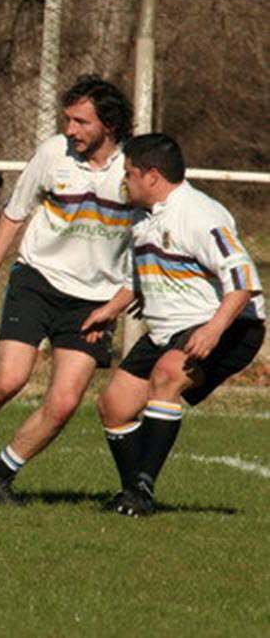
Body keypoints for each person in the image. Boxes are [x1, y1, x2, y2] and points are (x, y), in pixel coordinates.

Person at [0, 76, 134, 504]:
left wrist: (116, 304)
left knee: (64, 402)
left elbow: (150, 240)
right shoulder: (52, 153)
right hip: (37, 279)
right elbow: (15, 212)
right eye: (67, 120)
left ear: (108, 125)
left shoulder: (135, 166)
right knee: (9, 378)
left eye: (80, 122)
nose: (70, 130)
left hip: (95, 300)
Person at [81, 134, 265, 516]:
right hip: (172, 330)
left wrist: (213, 330)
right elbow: (141, 277)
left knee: (167, 374)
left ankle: (141, 492)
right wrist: (111, 309)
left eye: (129, 174)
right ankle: (135, 493)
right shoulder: (143, 218)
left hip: (231, 324)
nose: (124, 182)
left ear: (152, 176)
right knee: (114, 405)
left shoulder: (199, 214)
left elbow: (244, 278)